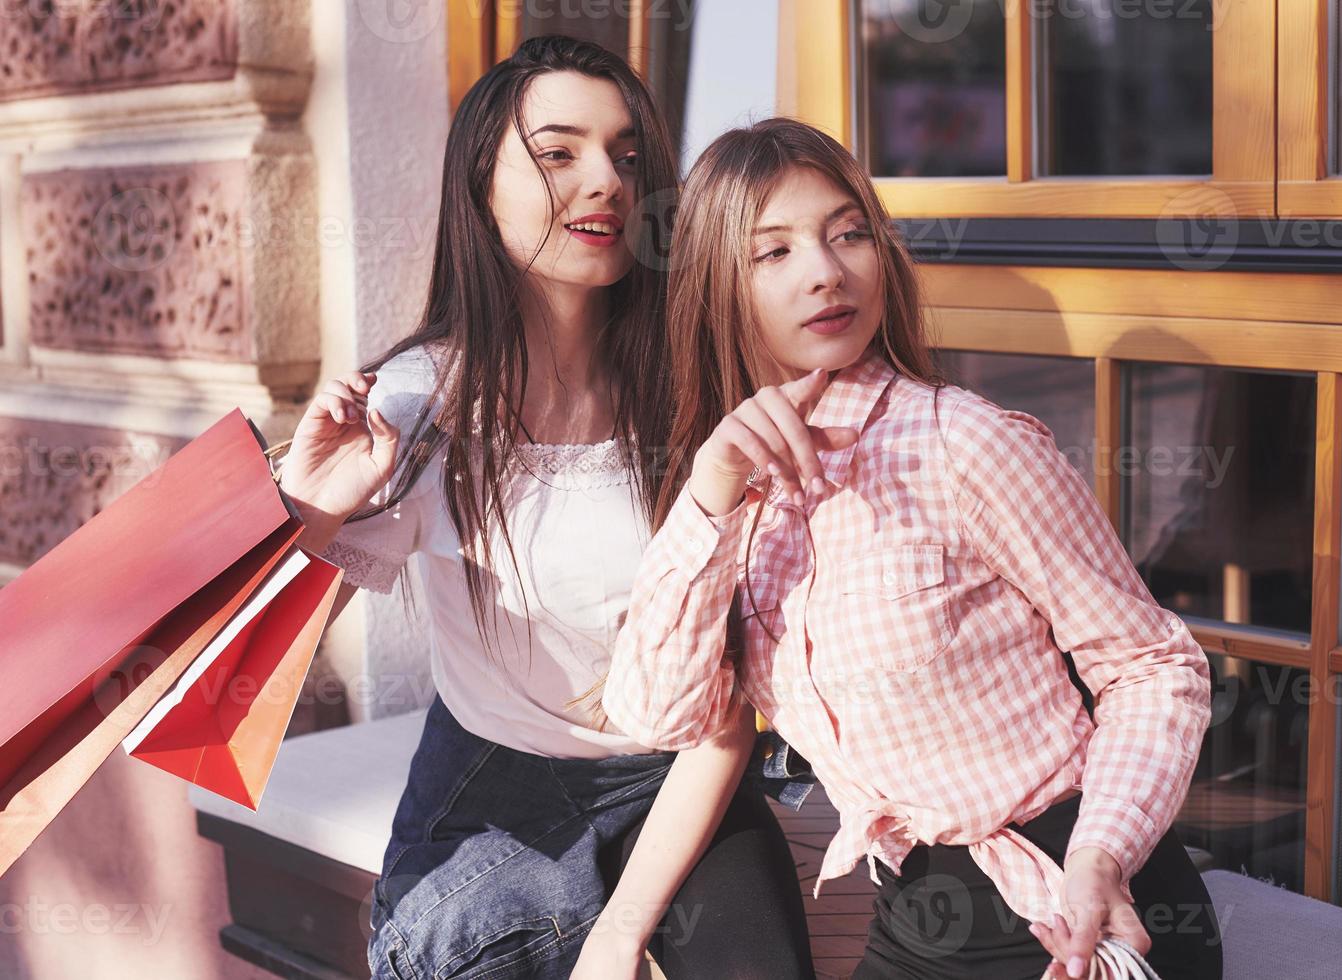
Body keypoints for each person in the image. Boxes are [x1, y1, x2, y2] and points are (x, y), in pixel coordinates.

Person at [603, 117, 1225, 980]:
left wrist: (1102, 855)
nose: (827, 271)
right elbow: (659, 714)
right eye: (772, 252)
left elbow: (1154, 665)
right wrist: (711, 491)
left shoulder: (965, 444)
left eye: (848, 233)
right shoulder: (729, 492)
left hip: (1075, 902)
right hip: (915, 923)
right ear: (718, 289)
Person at [277, 39, 815, 980]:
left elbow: (725, 696)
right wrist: (313, 509)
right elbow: (247, 666)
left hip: (689, 761)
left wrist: (619, 937)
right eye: (559, 153)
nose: (606, 180)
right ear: (480, 186)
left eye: (628, 154)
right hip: (501, 775)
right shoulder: (420, 403)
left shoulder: (701, 385)